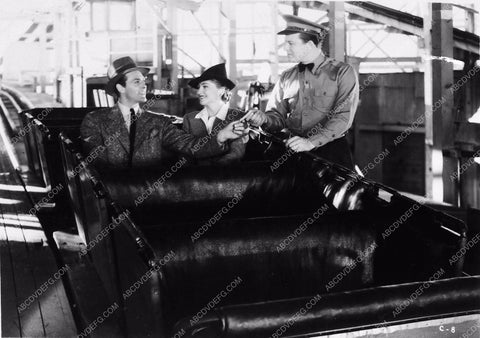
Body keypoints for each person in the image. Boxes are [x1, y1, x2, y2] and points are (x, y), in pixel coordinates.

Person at [80, 56, 246, 169]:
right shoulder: (95, 121)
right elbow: (97, 169)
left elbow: (192, 147)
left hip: (149, 204)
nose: (145, 85)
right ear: (120, 87)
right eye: (137, 81)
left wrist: (221, 136)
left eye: (144, 81)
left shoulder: (159, 123)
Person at [244, 14, 359, 169]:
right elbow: (277, 116)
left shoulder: (342, 72)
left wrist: (311, 142)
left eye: (290, 43)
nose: (285, 48)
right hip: (294, 150)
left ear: (310, 45)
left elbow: (343, 118)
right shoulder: (286, 77)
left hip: (330, 154)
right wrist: (264, 119)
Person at [183, 63, 246, 164]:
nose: (199, 92)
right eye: (199, 87)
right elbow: (186, 154)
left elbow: (236, 153)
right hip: (194, 177)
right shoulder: (190, 119)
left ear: (221, 91)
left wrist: (212, 170)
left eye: (205, 86)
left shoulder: (238, 117)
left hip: (227, 177)